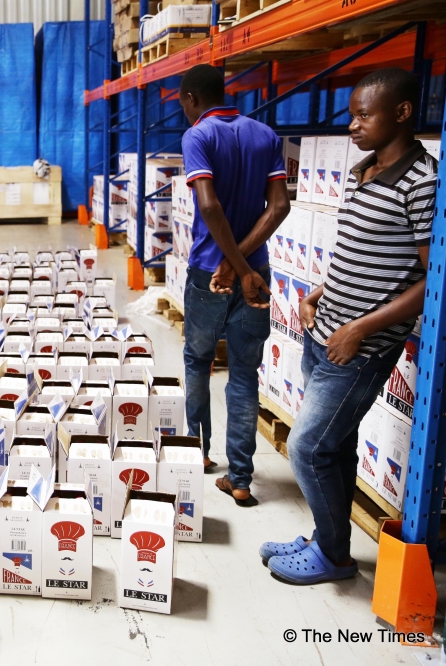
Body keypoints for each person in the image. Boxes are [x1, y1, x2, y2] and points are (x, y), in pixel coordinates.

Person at [263, 68, 436, 584]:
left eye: (364, 115)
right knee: (336, 447)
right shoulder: (365, 170)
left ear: (402, 113)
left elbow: (434, 280)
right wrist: (321, 291)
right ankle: (326, 540)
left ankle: (335, 556)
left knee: (307, 446)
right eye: (352, 114)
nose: (353, 125)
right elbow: (361, 252)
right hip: (325, 333)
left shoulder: (422, 183)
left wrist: (359, 330)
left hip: (357, 348)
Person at [178, 64, 291, 506]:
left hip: (211, 272)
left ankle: (198, 454)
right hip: (256, 277)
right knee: (244, 375)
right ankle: (241, 478)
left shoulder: (198, 137)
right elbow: (279, 206)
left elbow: (209, 205)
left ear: (190, 99)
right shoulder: (265, 135)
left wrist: (230, 265)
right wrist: (246, 269)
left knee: (197, 360)